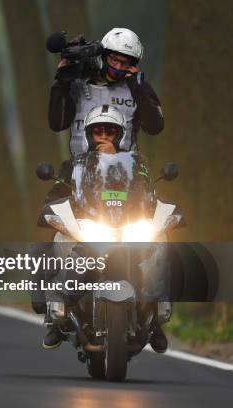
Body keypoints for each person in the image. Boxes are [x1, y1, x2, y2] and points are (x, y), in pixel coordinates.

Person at [41, 105, 168, 353]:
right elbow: (52, 197)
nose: (103, 137)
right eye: (98, 131)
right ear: (88, 135)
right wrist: (52, 210)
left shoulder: (134, 166)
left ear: (119, 136)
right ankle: (58, 316)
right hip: (88, 230)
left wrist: (158, 212)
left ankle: (155, 316)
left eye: (110, 132)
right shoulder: (72, 166)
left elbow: (148, 195)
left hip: (127, 229)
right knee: (59, 239)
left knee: (161, 238)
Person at [49, 27, 164, 157]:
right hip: (79, 171)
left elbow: (155, 127)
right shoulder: (77, 83)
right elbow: (57, 124)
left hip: (126, 170)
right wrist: (62, 83)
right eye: (114, 60)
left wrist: (139, 88)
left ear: (133, 65)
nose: (118, 67)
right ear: (104, 55)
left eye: (124, 63)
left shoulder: (137, 87)